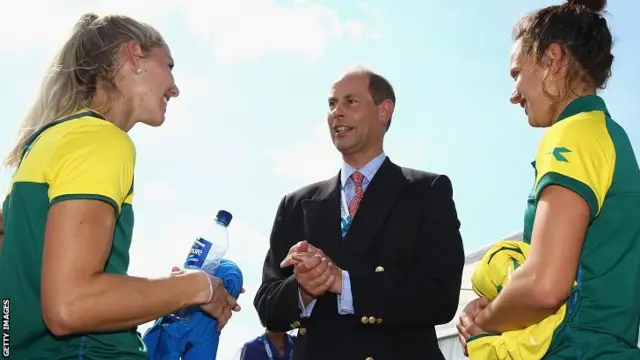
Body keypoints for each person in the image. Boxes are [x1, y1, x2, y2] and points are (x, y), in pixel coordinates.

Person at [0, 13, 240, 359]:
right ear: (134, 56)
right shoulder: (102, 140)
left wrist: (167, 291)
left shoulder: (45, 143)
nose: (175, 87)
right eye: (169, 65)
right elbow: (70, 305)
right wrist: (195, 286)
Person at [457, 0, 640, 359]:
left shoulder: (572, 133)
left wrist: (483, 323)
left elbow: (545, 284)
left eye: (516, 74)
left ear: (553, 59)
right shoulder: (609, 136)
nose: (513, 95)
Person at [253, 67, 466, 360]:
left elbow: (440, 297)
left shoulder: (426, 191)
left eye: (350, 102)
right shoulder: (296, 204)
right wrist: (302, 289)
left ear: (384, 111)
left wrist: (345, 284)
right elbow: (266, 306)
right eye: (332, 104)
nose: (336, 112)